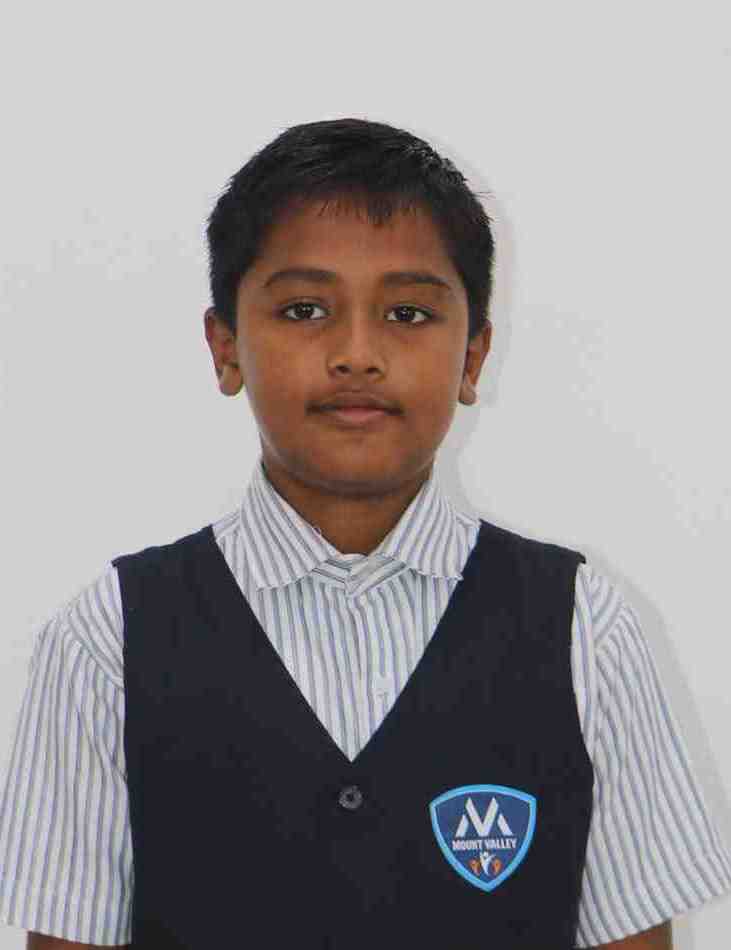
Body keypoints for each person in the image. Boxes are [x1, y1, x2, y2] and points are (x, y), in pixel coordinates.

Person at [1, 118, 729, 950]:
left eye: (408, 312)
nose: (356, 353)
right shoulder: (109, 639)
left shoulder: (584, 628)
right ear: (225, 346)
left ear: (473, 357)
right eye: (304, 309)